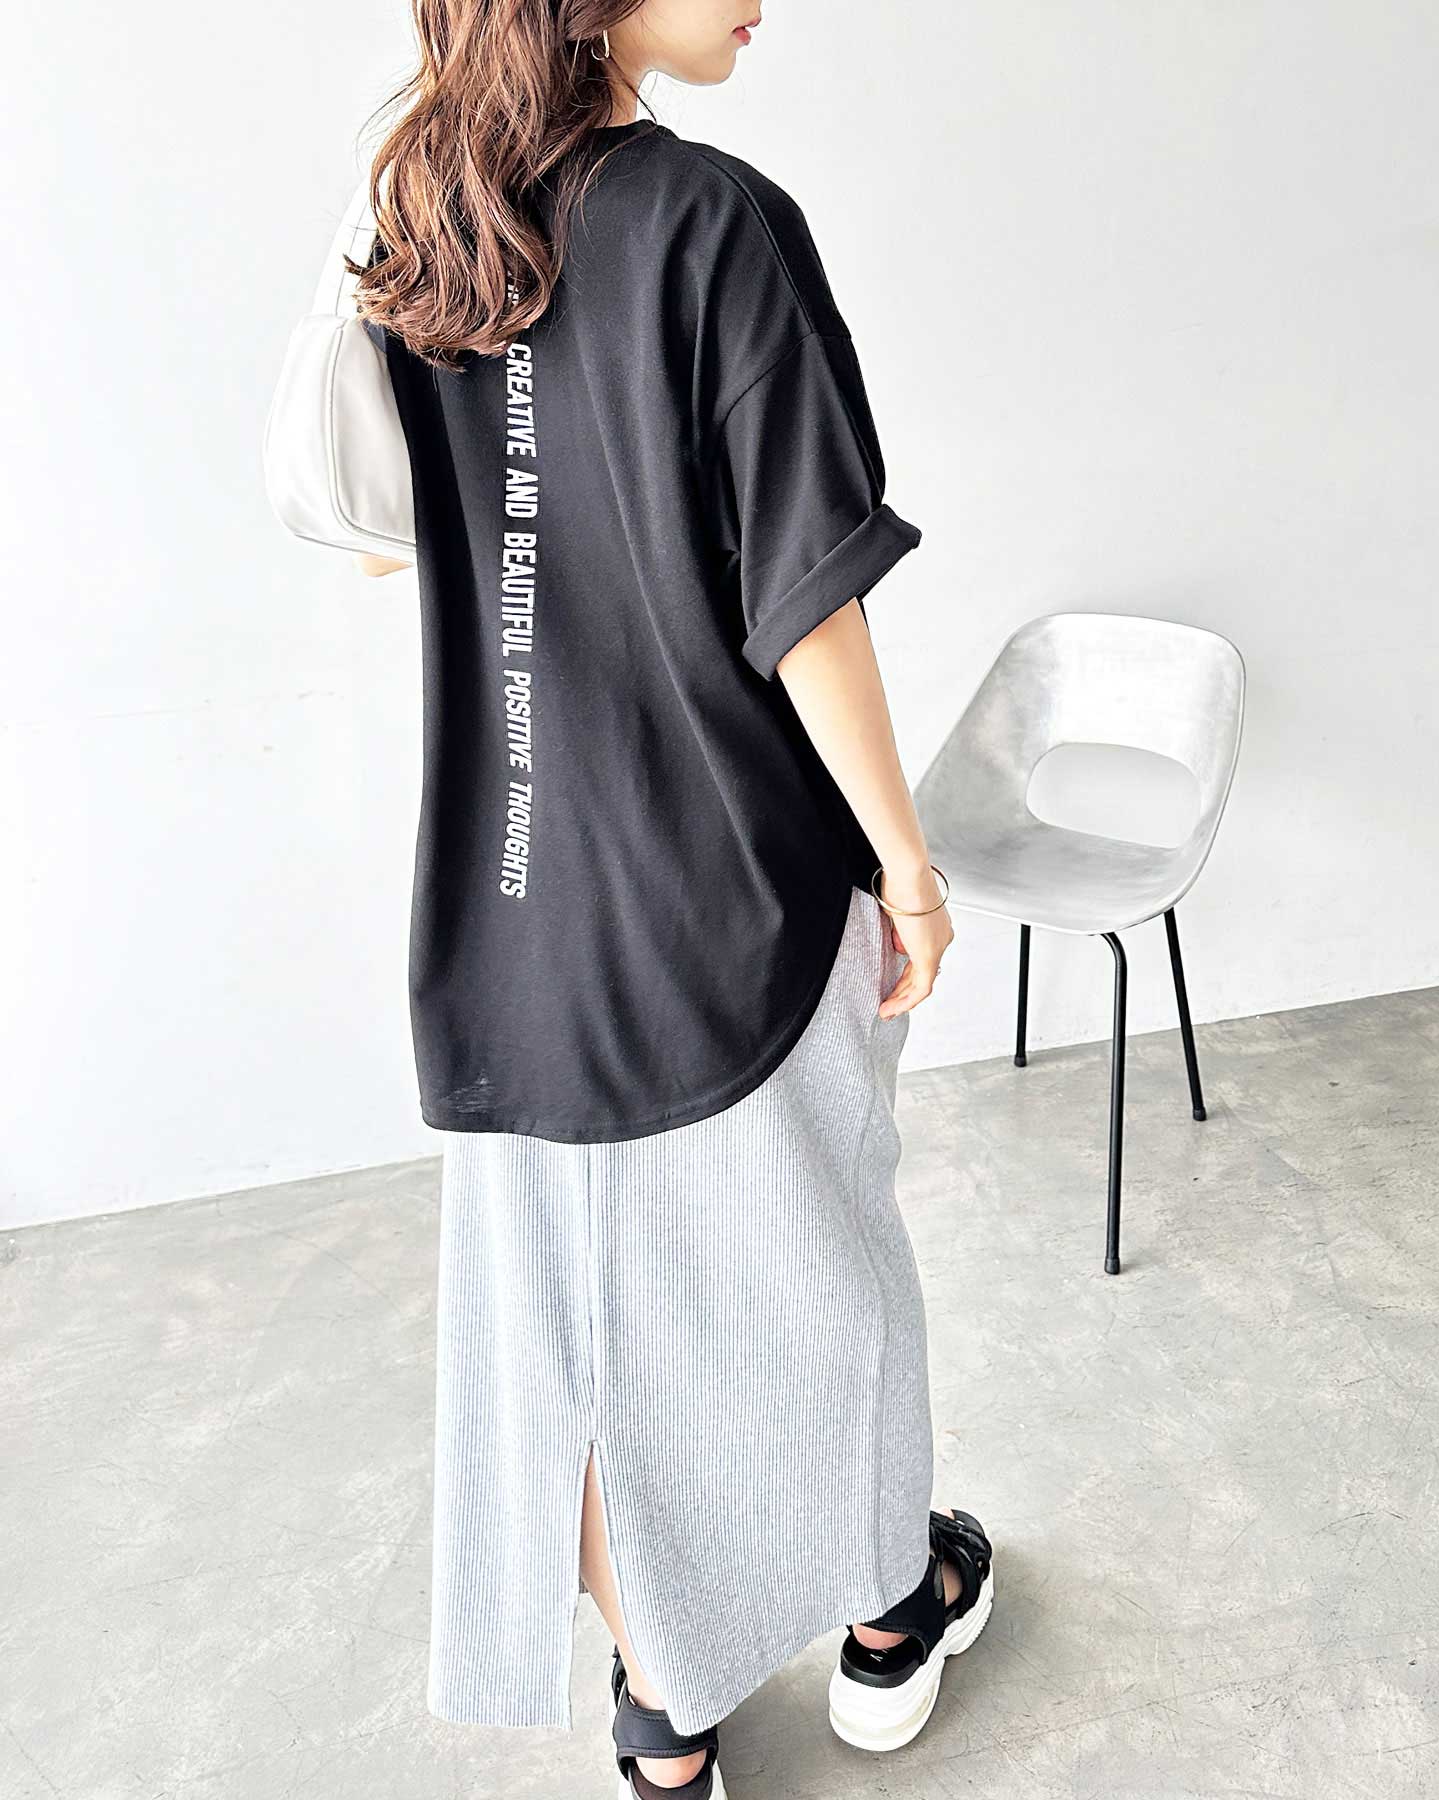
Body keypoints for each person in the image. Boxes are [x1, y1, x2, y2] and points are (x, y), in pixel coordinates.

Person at [347, 3, 994, 1794]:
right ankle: (891, 1615)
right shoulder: (711, 218)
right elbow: (808, 598)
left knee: (564, 1330)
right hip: (731, 879)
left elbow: (397, 537)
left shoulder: (425, 221)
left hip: (511, 895)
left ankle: (664, 1719)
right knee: (824, 1279)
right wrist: (910, 865)